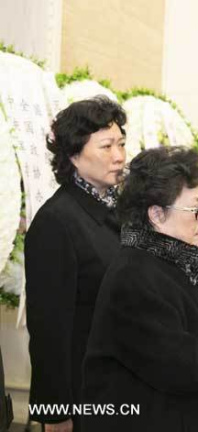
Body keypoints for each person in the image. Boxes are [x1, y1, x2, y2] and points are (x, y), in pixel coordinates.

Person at [81, 146, 198, 432]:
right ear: (156, 214)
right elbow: (189, 366)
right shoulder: (134, 278)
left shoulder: (170, 257)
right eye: (194, 209)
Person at [25, 96, 127, 432]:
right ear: (73, 155)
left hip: (121, 383)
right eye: (106, 146)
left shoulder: (117, 209)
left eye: (122, 144)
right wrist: (54, 414)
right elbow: (48, 329)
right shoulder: (56, 221)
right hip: (84, 392)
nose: (119, 156)